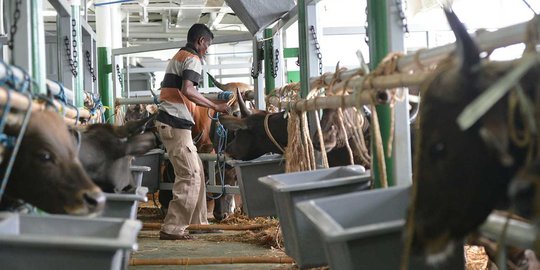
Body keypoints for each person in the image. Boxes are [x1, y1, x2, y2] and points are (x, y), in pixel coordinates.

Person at [156, 23, 229, 240]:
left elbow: (185, 91)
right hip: (175, 124)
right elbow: (189, 90)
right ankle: (172, 228)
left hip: (175, 123)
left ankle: (199, 223)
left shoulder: (179, 55)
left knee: (197, 169)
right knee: (190, 175)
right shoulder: (192, 58)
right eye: (208, 45)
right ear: (201, 41)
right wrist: (215, 106)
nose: (207, 49)